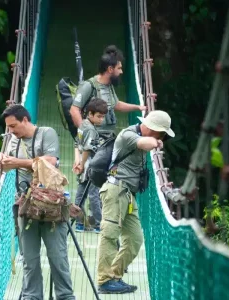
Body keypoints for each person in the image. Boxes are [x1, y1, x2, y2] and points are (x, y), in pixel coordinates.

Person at [0, 104, 75, 300]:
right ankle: (32, 297)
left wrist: (16, 163)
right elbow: (6, 168)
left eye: (13, 126)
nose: (11, 132)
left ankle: (65, 297)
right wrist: (1, 158)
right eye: (8, 128)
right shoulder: (14, 141)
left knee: (57, 257)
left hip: (51, 205)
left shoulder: (46, 133)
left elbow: (50, 161)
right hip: (25, 205)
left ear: (25, 120)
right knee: (29, 260)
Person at [96, 110, 175, 294]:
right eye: (161, 133)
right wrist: (157, 142)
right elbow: (145, 142)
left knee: (135, 239)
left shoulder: (143, 135)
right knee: (109, 235)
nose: (161, 136)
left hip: (128, 194)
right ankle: (104, 281)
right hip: (115, 191)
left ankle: (114, 276)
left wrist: (156, 140)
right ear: (152, 129)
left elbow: (148, 141)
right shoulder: (128, 135)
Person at [69, 45, 145, 159]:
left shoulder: (109, 86)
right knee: (89, 172)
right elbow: (74, 109)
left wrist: (138, 107)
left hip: (107, 139)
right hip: (92, 141)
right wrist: (85, 132)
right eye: (119, 68)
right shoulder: (89, 86)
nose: (121, 71)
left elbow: (117, 104)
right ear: (110, 69)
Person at [72, 97, 109, 233]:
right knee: (94, 195)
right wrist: (81, 164)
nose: (101, 120)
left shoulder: (82, 125)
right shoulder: (92, 130)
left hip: (83, 165)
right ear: (90, 114)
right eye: (99, 116)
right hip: (91, 166)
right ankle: (99, 224)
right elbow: (87, 149)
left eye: (103, 117)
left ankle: (79, 223)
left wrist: (77, 160)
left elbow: (77, 143)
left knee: (80, 195)